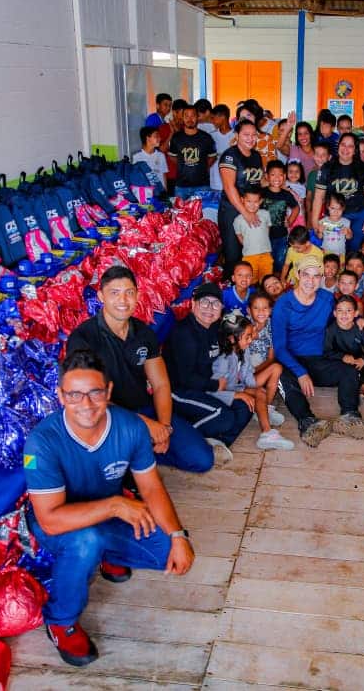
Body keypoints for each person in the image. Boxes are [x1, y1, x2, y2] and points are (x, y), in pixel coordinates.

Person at [25, 349, 193, 667]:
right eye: (74, 394)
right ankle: (61, 620)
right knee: (85, 541)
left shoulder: (129, 426)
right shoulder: (42, 441)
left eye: (95, 393)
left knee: (164, 551)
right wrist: (117, 505)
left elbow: (152, 486)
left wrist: (178, 534)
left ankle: (107, 553)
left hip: (104, 509)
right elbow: (50, 520)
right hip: (61, 523)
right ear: (60, 396)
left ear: (109, 392)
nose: (86, 405)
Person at [67, 266, 214, 474]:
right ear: (101, 296)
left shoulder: (143, 333)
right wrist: (146, 425)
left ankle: (143, 452)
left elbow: (161, 384)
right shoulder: (83, 338)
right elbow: (89, 400)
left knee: (202, 459)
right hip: (108, 418)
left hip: (145, 408)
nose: (123, 300)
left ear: (137, 295)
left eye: (129, 293)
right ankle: (136, 455)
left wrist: (164, 427)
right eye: (114, 293)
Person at [271, 254, 364, 446]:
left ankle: (350, 415)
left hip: (320, 358)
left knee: (349, 369)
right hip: (292, 360)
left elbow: (345, 310)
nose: (311, 281)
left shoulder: (327, 298)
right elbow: (279, 348)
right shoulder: (283, 304)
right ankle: (307, 421)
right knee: (283, 377)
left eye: (316, 276)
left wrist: (359, 318)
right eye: (306, 275)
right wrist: (300, 373)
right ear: (298, 275)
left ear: (322, 278)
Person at [164, 282, 254, 462]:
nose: (209, 308)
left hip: (207, 386)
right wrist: (218, 387)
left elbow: (236, 340)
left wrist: (234, 391)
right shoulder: (184, 334)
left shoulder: (216, 328)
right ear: (193, 304)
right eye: (204, 302)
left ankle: (218, 444)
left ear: (221, 308)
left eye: (215, 304)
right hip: (179, 391)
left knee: (246, 407)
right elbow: (185, 379)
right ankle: (182, 441)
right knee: (224, 417)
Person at [212, 312, 295, 451]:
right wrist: (238, 395)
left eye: (251, 336)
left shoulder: (243, 350)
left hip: (238, 386)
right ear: (232, 339)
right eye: (247, 337)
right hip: (227, 391)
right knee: (258, 392)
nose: (251, 340)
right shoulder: (222, 360)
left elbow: (247, 377)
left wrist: (255, 383)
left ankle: (266, 431)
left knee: (265, 384)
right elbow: (213, 390)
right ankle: (265, 424)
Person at [311, 133, 364, 254]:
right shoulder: (327, 167)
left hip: (357, 215)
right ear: (338, 146)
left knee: (355, 250)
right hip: (333, 217)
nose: (346, 149)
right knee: (332, 251)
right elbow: (318, 197)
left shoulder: (363, 168)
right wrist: (315, 222)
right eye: (343, 145)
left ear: (355, 150)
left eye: (350, 146)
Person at [218, 119, 264, 278]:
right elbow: (230, 188)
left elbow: (259, 182)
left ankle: (248, 288)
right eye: (246, 134)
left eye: (254, 135)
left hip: (251, 209)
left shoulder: (256, 156)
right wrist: (245, 213)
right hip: (232, 210)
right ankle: (230, 289)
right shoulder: (229, 156)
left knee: (250, 251)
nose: (251, 138)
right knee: (233, 254)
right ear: (237, 135)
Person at [325, 293, 364, 406]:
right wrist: (342, 357)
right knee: (344, 369)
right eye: (340, 310)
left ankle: (362, 385)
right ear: (334, 313)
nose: (344, 314)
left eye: (348, 310)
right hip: (340, 363)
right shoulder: (330, 330)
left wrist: (363, 359)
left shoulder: (360, 328)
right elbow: (326, 351)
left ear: (356, 313)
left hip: (357, 362)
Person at [167, 105, 217, 200]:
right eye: (186, 116)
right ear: (182, 118)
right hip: (181, 187)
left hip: (202, 186)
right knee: (180, 213)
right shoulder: (176, 138)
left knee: (204, 213)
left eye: (193, 116)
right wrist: (183, 164)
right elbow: (172, 157)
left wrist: (202, 166)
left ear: (197, 117)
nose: (190, 119)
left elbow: (212, 157)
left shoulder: (206, 138)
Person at [262, 160, 300, 274]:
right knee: (266, 261)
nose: (277, 178)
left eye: (280, 175)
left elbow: (296, 208)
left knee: (279, 261)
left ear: (284, 176)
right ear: (267, 176)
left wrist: (290, 221)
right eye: (273, 174)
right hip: (263, 236)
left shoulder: (286, 194)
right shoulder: (262, 193)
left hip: (281, 235)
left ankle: (278, 281)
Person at [233, 188, 274, 282]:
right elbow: (239, 236)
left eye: (256, 201)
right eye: (249, 201)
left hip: (266, 254)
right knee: (251, 280)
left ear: (261, 201)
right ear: (242, 200)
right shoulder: (238, 220)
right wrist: (250, 246)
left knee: (266, 278)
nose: (252, 205)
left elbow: (267, 230)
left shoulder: (265, 214)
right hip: (249, 256)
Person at [207, 104, 236, 191]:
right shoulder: (211, 136)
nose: (212, 121)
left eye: (213, 118)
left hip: (231, 183)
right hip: (214, 182)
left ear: (222, 117)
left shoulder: (236, 136)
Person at [317, 192, 352, 259]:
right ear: (327, 207)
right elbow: (320, 237)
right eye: (332, 208)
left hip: (340, 252)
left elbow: (349, 237)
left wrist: (347, 233)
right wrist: (320, 231)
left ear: (343, 208)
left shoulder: (346, 222)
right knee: (327, 268)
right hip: (326, 252)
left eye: (339, 209)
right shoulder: (322, 221)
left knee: (340, 269)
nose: (336, 212)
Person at [305, 141, 332, 221]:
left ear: (329, 157)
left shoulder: (333, 175)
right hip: (315, 213)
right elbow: (309, 198)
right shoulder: (312, 175)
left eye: (323, 155)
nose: (320, 158)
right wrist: (309, 215)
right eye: (317, 154)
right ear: (313, 156)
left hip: (330, 213)